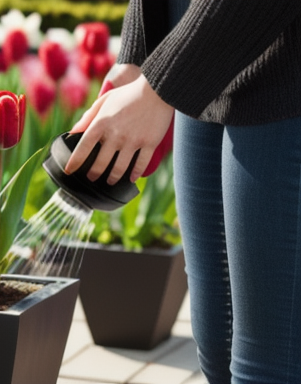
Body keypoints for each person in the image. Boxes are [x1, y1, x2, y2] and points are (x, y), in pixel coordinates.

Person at [65, 1, 301, 383]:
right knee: (217, 351)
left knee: (268, 365)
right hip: (196, 61)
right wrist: (140, 53)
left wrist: (159, 87)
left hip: (285, 72)